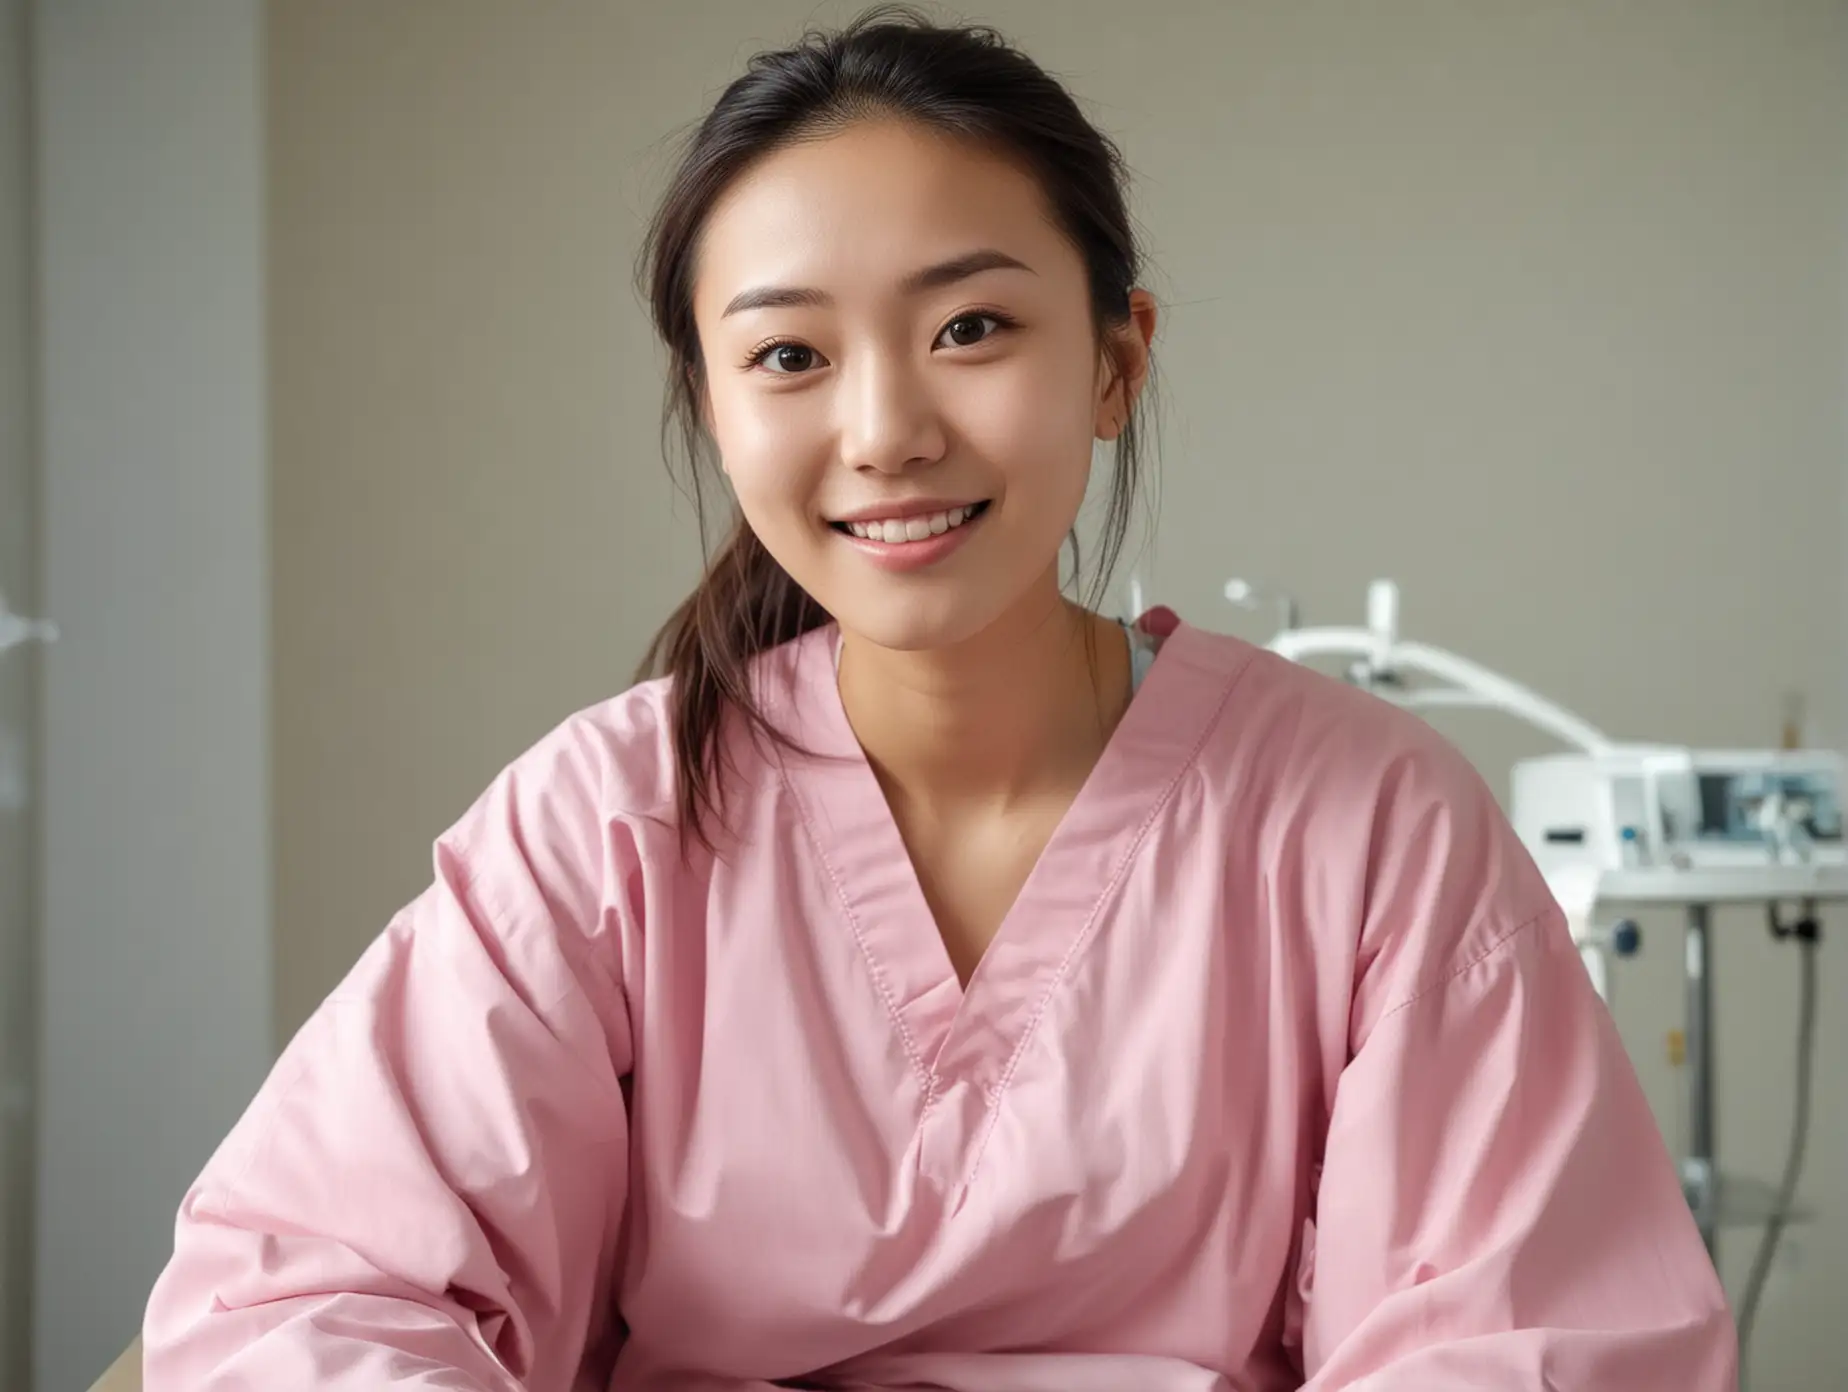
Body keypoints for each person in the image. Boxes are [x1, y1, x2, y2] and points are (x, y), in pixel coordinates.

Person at [141, 9, 1735, 1389]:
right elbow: (303, 1299)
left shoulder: (1370, 829)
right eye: (788, 358)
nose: (887, 428)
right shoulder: (608, 830)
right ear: (711, 403)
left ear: (1119, 361)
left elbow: (1533, 1343)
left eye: (972, 328)